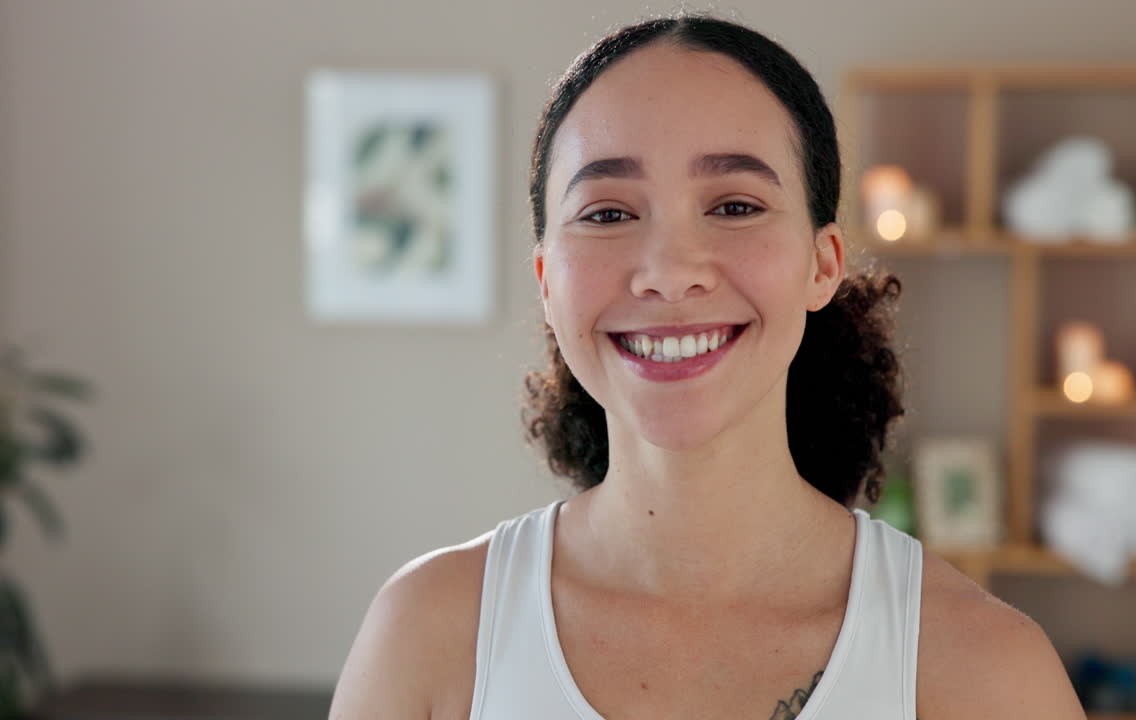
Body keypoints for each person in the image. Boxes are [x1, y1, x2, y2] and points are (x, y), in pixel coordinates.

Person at [330, 14, 1085, 720]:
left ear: (822, 265)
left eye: (734, 206)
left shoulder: (985, 672)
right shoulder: (428, 639)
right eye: (607, 214)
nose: (669, 271)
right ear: (547, 281)